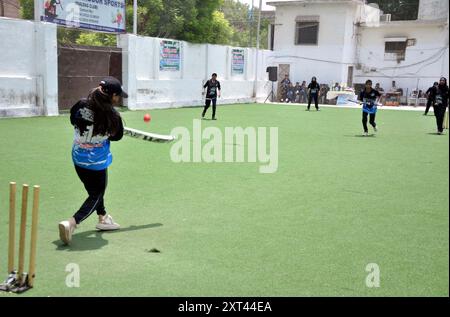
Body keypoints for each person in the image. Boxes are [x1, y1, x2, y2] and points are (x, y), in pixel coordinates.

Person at [59, 77, 126, 245]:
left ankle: (103, 218)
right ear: (112, 96)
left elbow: (73, 120)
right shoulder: (113, 116)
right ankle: (72, 223)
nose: (119, 99)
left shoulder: (81, 104)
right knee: (97, 194)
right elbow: (117, 137)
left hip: (78, 158)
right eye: (118, 96)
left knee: (94, 192)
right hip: (96, 162)